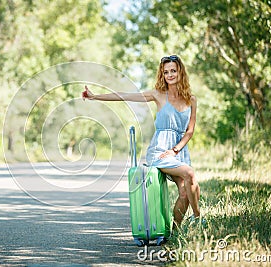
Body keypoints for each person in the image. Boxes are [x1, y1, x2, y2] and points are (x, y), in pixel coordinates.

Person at [82, 55, 204, 228]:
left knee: (185, 191)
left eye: (173, 71)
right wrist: (95, 96)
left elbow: (190, 130)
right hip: (160, 151)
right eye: (166, 72)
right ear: (162, 74)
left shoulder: (191, 99)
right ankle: (199, 218)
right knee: (190, 174)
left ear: (180, 72)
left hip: (179, 151)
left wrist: (176, 150)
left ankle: (174, 232)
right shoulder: (158, 95)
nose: (170, 75)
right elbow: (125, 96)